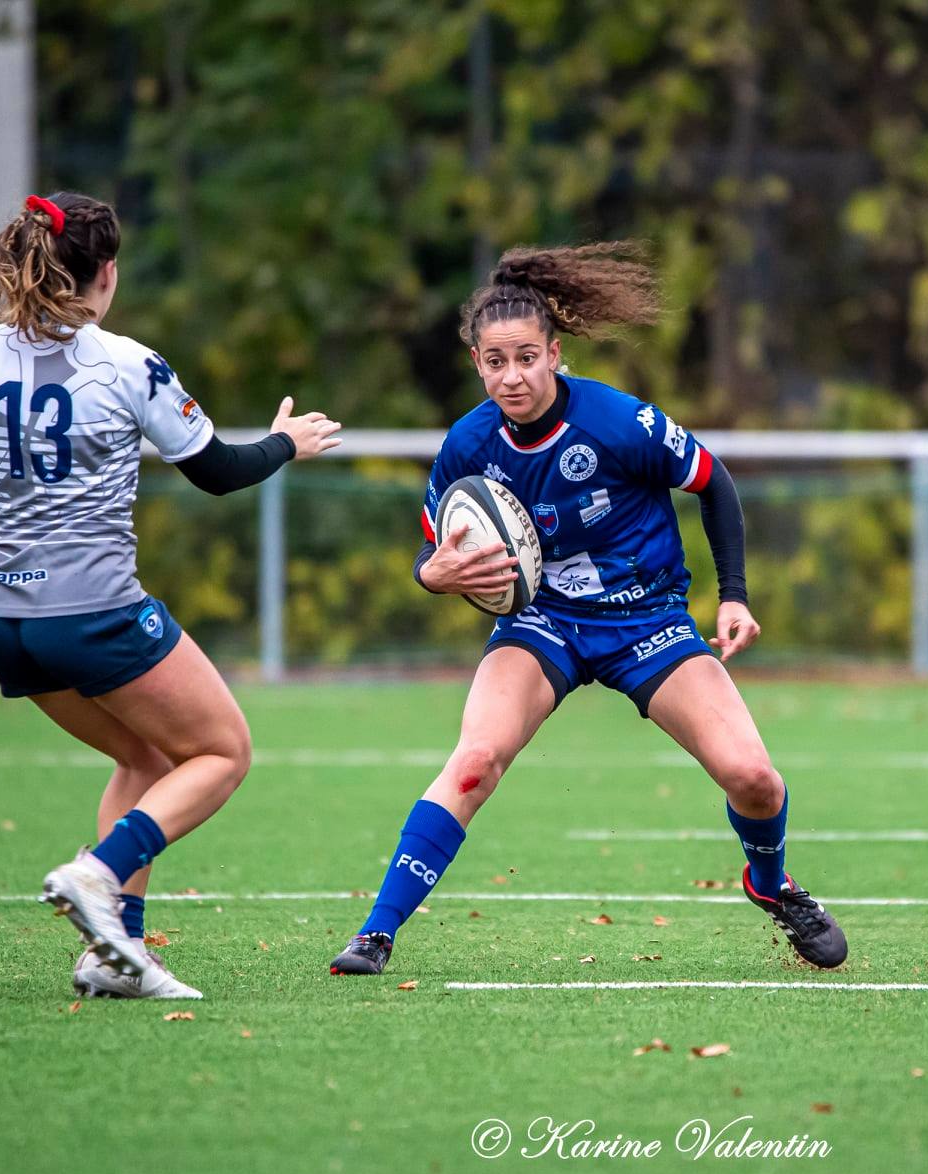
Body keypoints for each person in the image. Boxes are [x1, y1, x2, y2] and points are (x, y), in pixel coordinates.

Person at [0, 192, 341, 999]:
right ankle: (98, 875)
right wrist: (289, 442)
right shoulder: (126, 363)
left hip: (3, 620)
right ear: (105, 274)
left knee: (144, 756)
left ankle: (113, 956)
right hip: (92, 612)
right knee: (221, 753)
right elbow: (217, 472)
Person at [327, 242, 847, 976]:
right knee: (475, 761)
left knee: (754, 778)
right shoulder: (467, 446)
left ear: (554, 354)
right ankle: (375, 934)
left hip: (649, 621)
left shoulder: (616, 421)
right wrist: (431, 575)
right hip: (542, 626)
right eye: (495, 361)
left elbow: (713, 482)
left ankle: (771, 885)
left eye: (526, 358)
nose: (512, 375)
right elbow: (434, 553)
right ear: (477, 363)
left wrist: (732, 598)